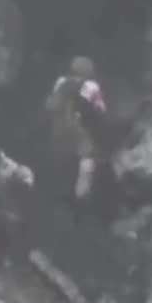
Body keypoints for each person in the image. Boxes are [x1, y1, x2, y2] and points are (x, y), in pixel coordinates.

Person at [45, 55, 107, 204]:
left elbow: (52, 103)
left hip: (57, 125)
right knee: (88, 152)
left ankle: (55, 188)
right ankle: (82, 192)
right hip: (76, 125)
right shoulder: (90, 87)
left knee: (61, 156)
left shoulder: (60, 82)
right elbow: (100, 109)